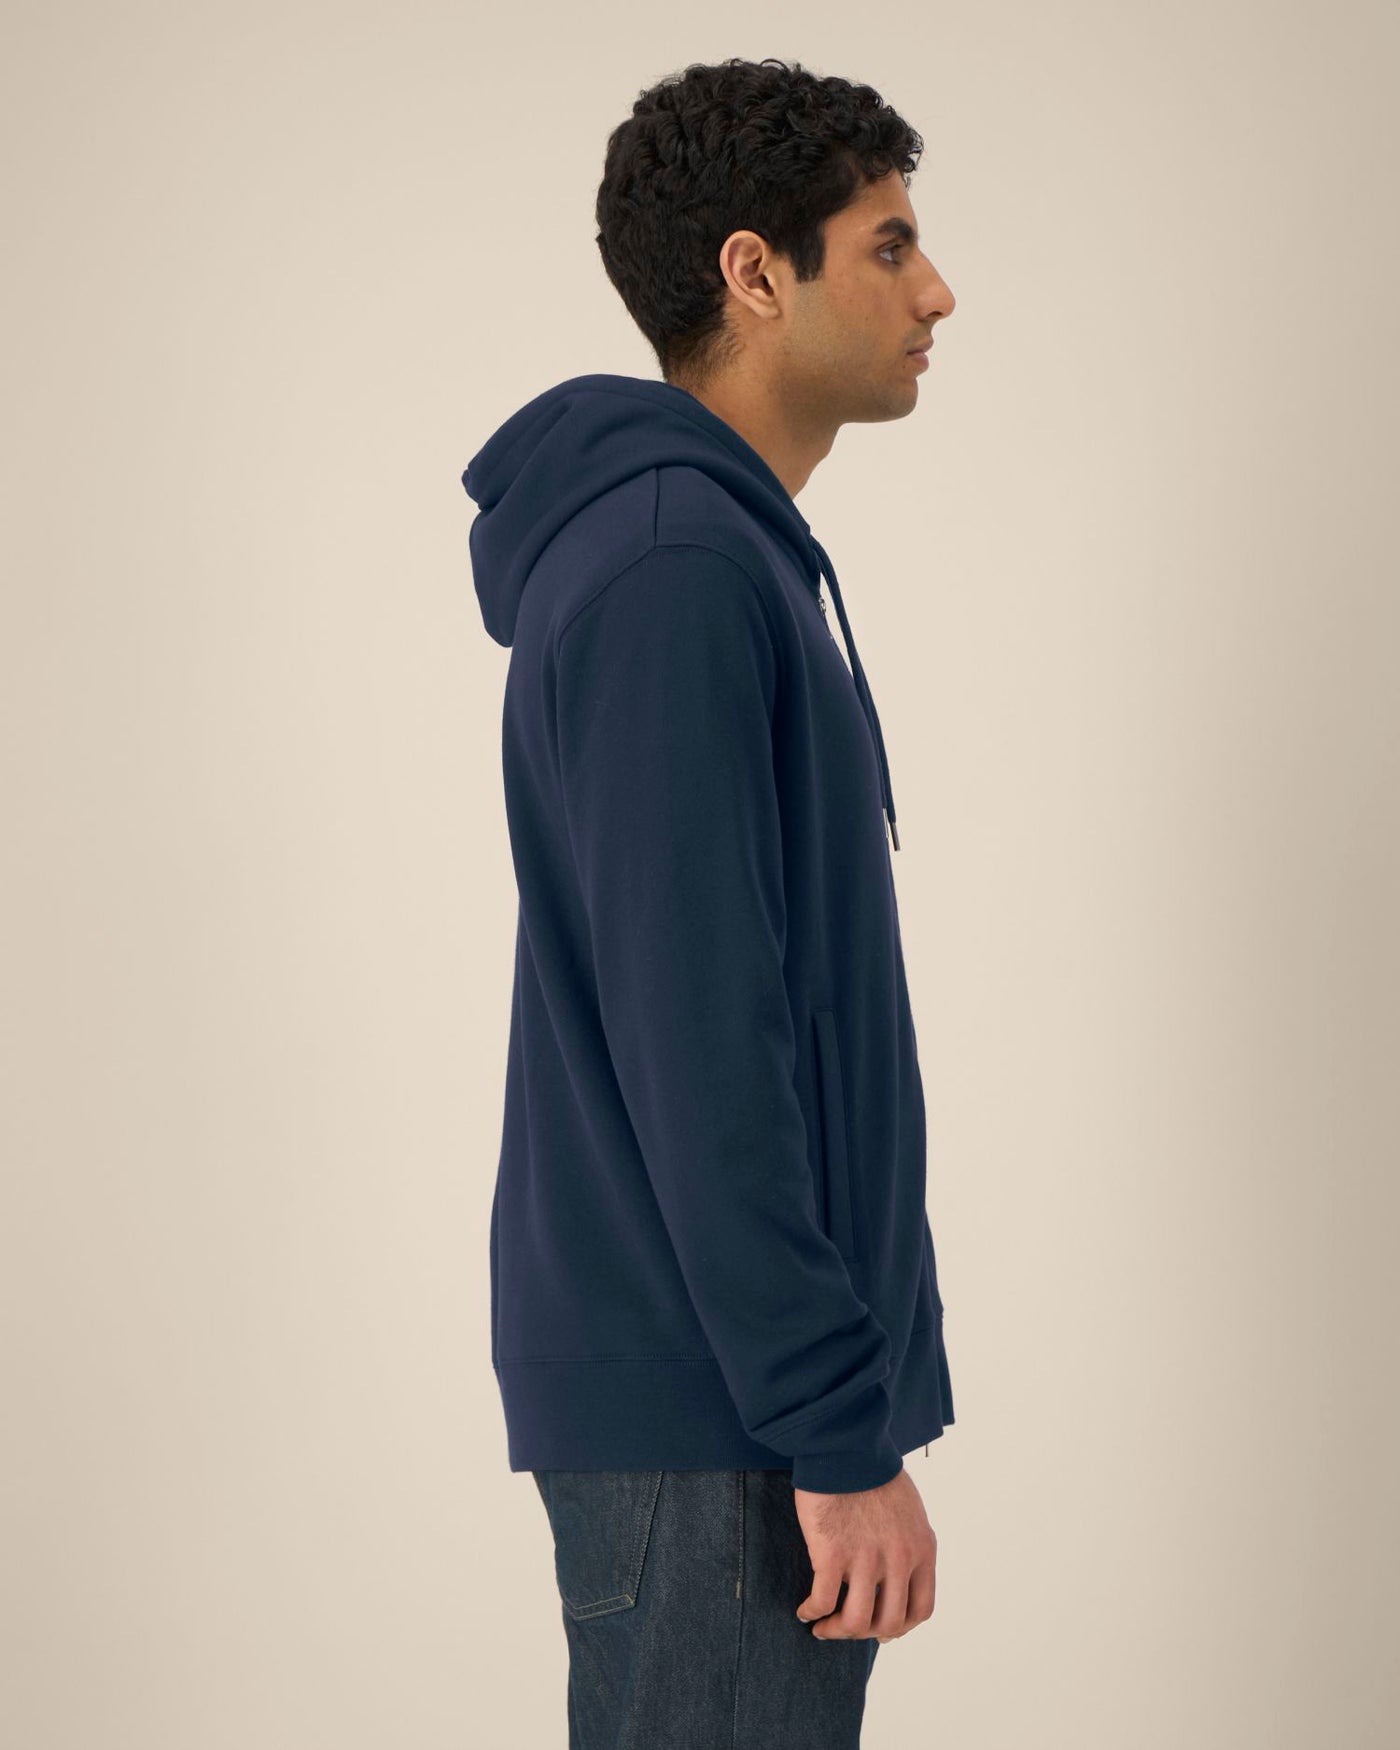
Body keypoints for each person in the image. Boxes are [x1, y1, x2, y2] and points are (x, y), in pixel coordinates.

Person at [461, 54, 957, 1748]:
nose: (935, 290)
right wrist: (834, 1424)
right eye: (888, 245)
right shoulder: (677, 567)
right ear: (756, 273)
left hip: (726, 1399)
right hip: (722, 1418)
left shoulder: (711, 552)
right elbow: (701, 1040)